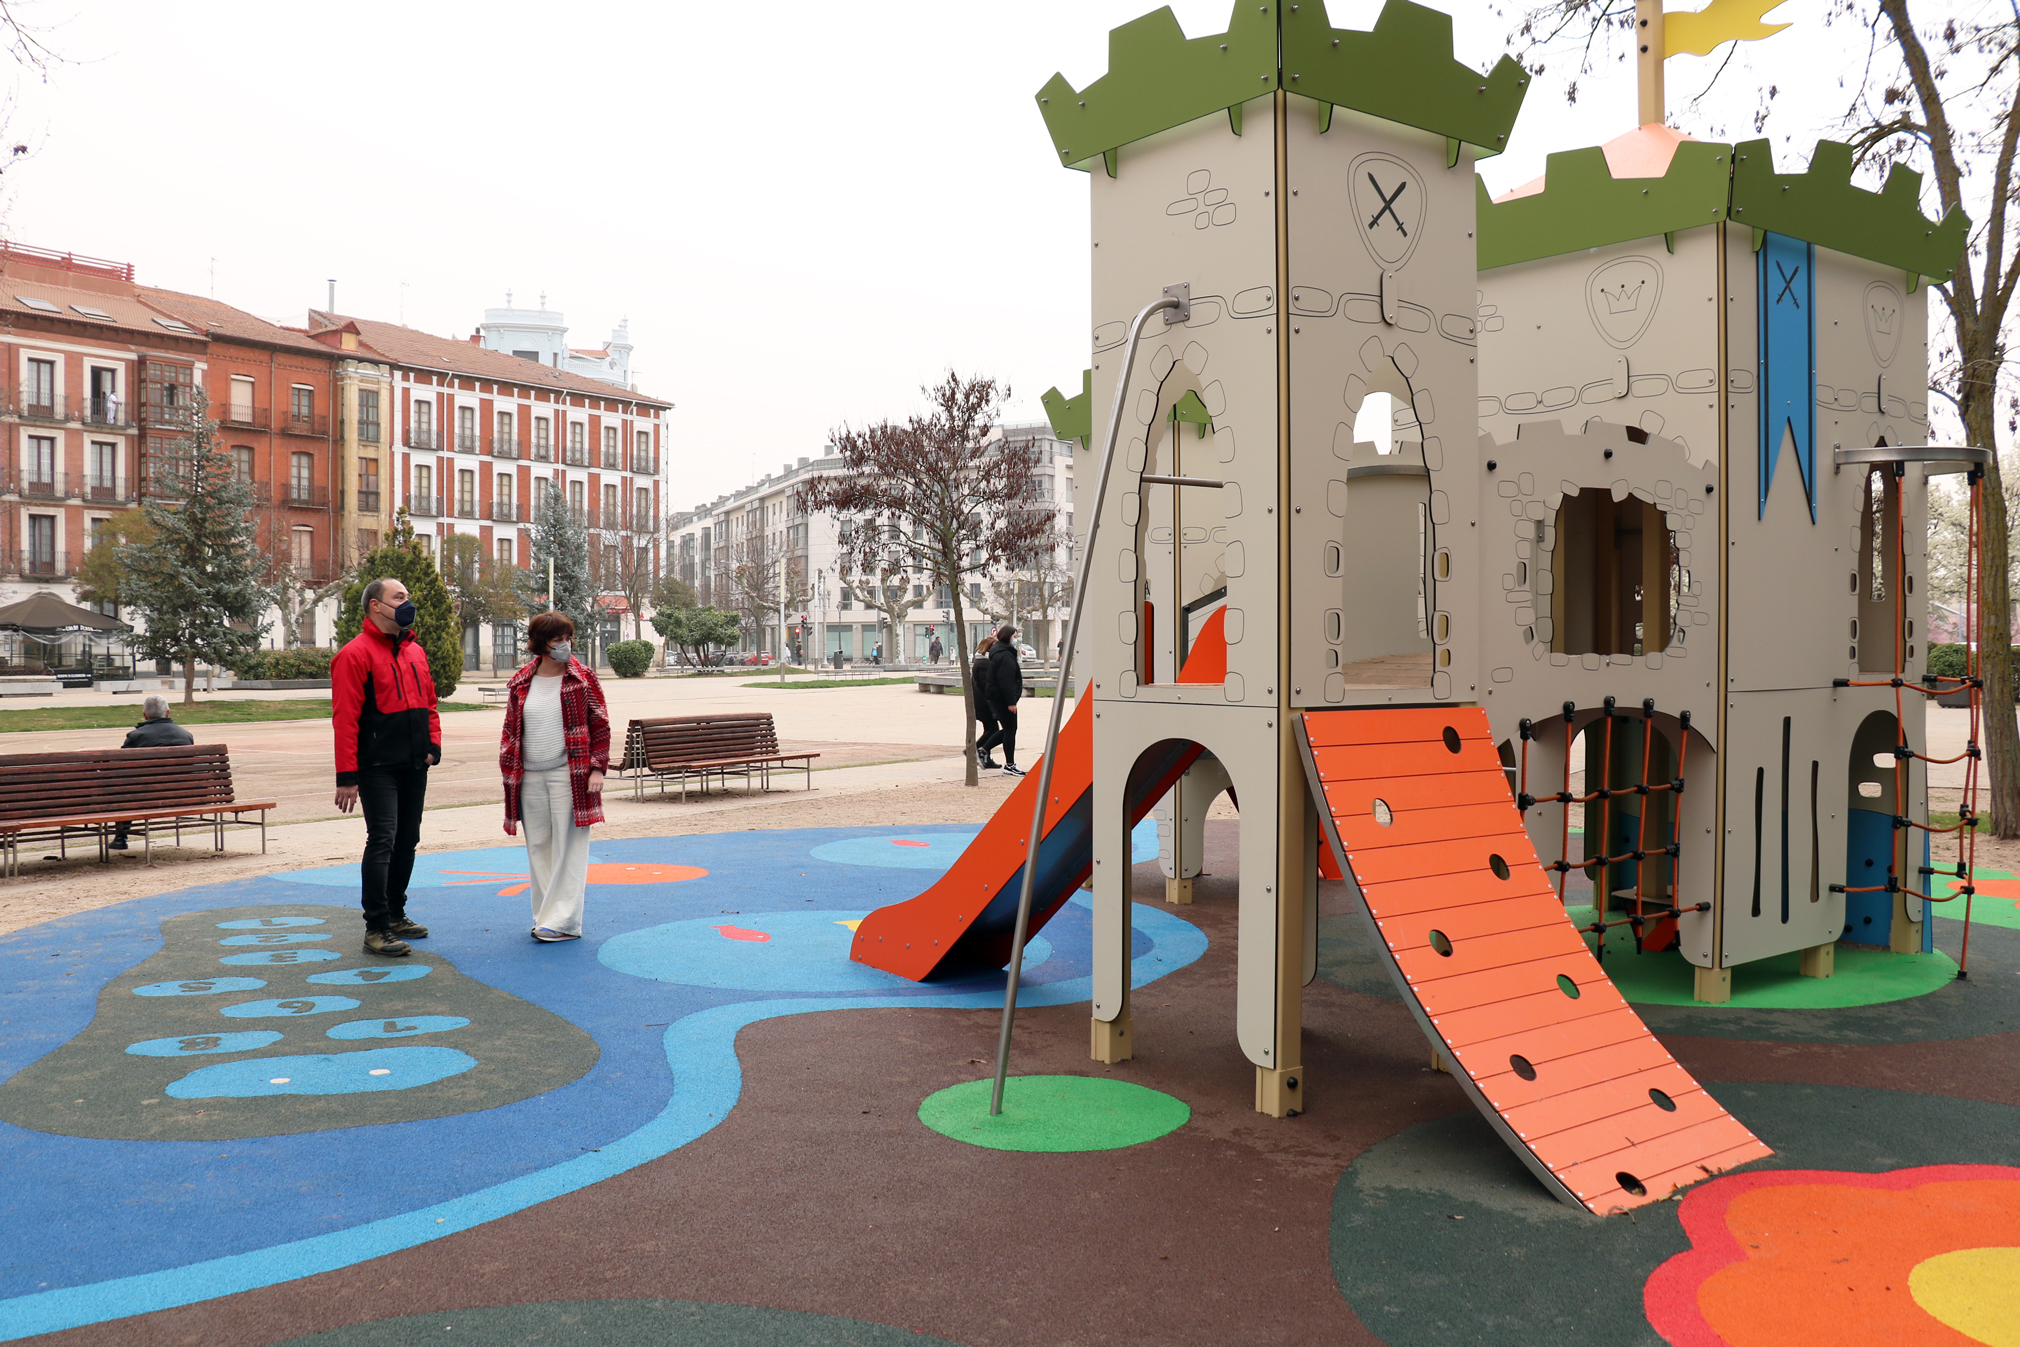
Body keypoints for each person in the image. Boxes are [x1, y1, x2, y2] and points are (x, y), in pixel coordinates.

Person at [332, 577, 441, 958]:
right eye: (399, 597)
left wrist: (432, 746)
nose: (407, 603)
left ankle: (396, 913)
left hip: (414, 764)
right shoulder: (354, 654)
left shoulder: (416, 652)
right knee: (383, 840)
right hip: (376, 766)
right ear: (376, 606)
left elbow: (430, 704)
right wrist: (347, 777)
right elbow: (345, 718)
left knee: (408, 839)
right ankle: (376, 927)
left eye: (408, 596)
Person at [499, 611, 611, 943]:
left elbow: (600, 724)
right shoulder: (521, 681)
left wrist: (597, 767)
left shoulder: (583, 678)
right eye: (557, 639)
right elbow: (510, 729)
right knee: (539, 846)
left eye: (567, 638)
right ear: (540, 643)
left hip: (569, 775)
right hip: (529, 777)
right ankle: (545, 916)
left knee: (569, 848)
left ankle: (564, 922)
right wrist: (508, 765)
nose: (565, 644)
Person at [108, 694, 194, 852]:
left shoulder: (137, 736)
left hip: (145, 795)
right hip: (182, 794)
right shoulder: (185, 735)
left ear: (145, 715)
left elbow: (120, 767)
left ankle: (121, 837)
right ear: (167, 712)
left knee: (125, 790)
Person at [981, 623, 1025, 777]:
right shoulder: (1005, 655)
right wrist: (1011, 702)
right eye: (1014, 636)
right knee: (1010, 730)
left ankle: (984, 750)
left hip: (998, 698)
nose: (1015, 639)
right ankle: (1010, 764)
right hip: (1003, 699)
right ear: (1008, 637)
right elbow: (1007, 680)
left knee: (1008, 729)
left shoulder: (999, 652)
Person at [969, 634, 1001, 770]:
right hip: (984, 704)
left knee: (990, 729)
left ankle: (985, 758)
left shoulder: (981, 661)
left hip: (981, 703)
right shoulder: (983, 663)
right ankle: (974, 750)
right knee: (994, 730)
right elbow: (987, 685)